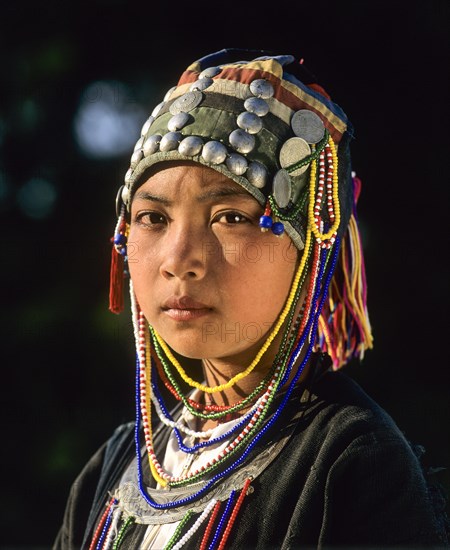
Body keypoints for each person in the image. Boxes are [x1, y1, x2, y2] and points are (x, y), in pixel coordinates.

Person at [53, 48, 449, 549]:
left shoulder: (352, 462)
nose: (180, 259)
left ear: (310, 248)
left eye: (231, 217)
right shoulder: (114, 467)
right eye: (153, 218)